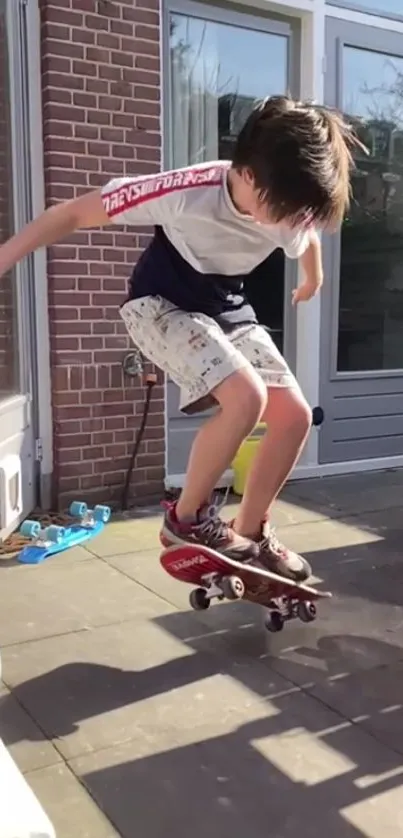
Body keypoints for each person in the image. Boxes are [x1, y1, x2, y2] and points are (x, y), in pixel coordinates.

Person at [0, 95, 361, 581]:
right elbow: (71, 214)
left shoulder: (291, 208)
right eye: (280, 211)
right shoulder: (186, 189)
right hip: (159, 303)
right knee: (245, 398)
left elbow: (309, 238)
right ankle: (185, 519)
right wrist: (5, 256)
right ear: (248, 175)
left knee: (294, 415)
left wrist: (311, 280)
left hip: (225, 303)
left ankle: (250, 532)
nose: (286, 224)